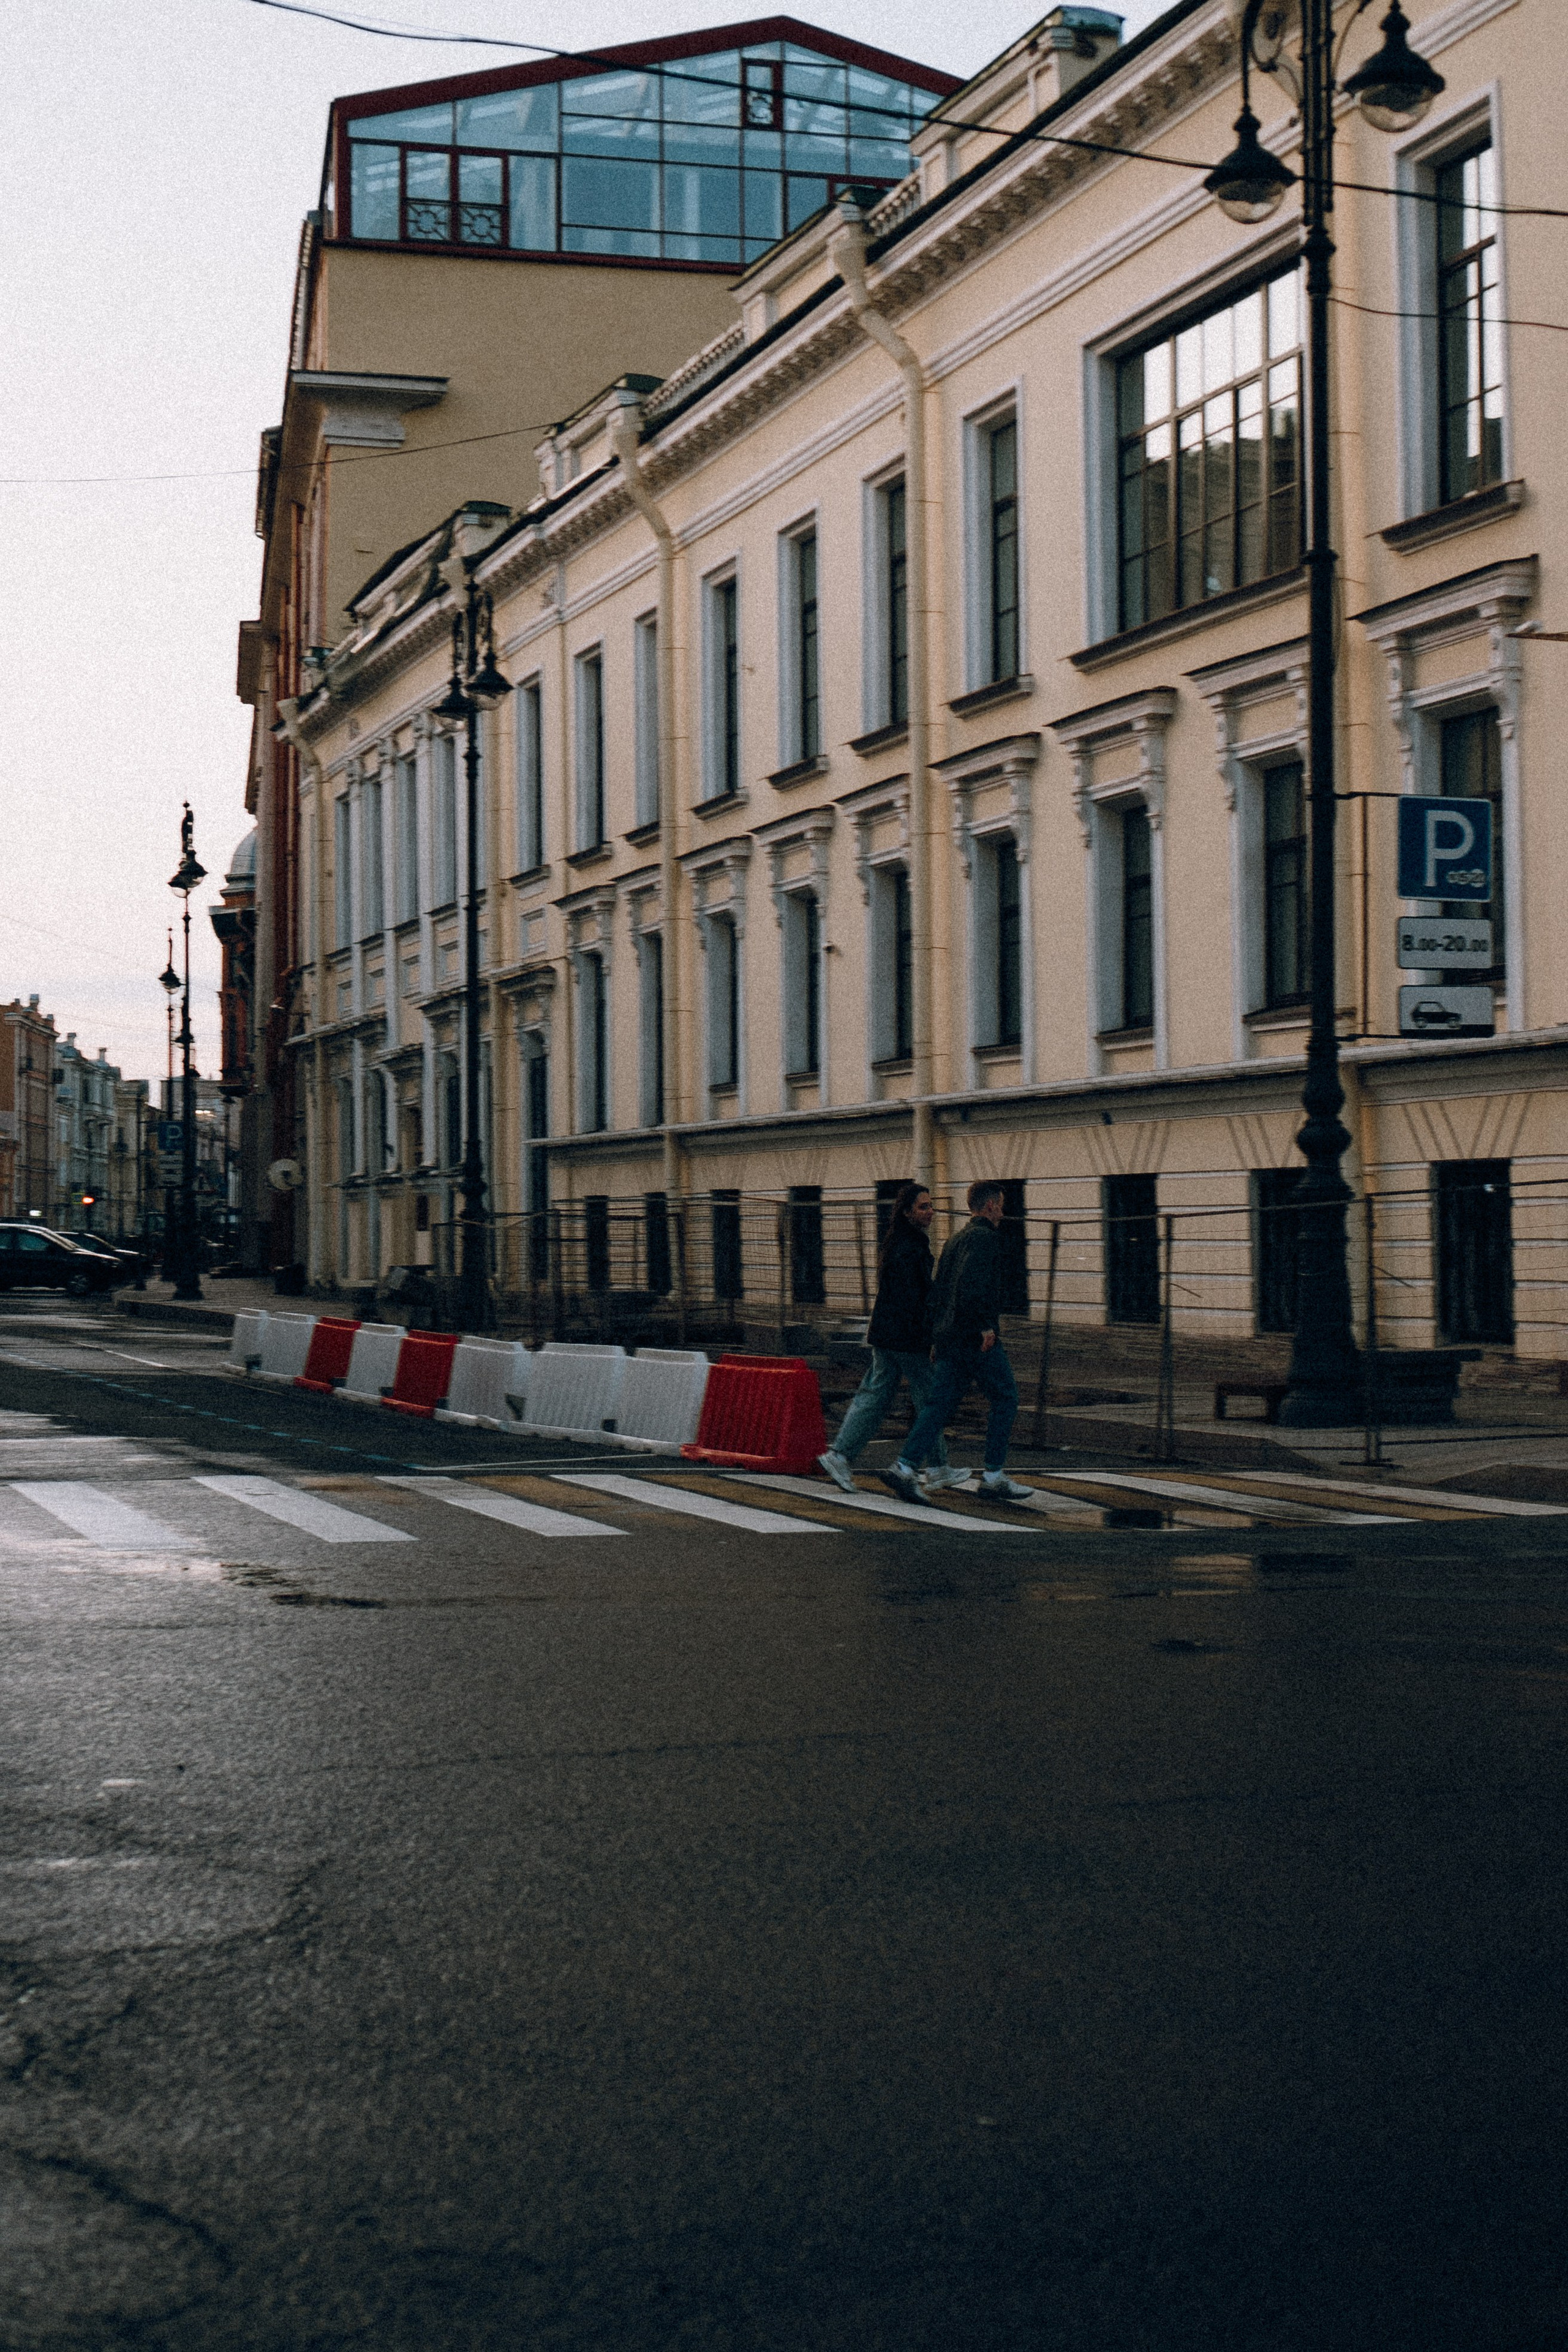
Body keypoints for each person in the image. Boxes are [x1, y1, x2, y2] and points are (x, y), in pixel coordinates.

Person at [880, 1178, 1033, 1505]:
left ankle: (904, 1467)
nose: (1002, 1214)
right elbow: (971, 1288)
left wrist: (937, 1337)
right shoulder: (985, 1240)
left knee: (939, 1405)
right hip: (975, 1338)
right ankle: (993, 1477)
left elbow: (938, 1292)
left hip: (949, 1338)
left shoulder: (954, 1240)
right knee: (1006, 1397)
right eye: (1001, 1206)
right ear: (990, 1205)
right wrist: (984, 1327)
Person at [817, 1183, 972, 1496]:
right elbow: (918, 1299)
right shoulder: (913, 1247)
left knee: (875, 1396)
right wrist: (931, 1338)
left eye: (930, 1206)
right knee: (931, 1399)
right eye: (923, 1207)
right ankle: (937, 1467)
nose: (930, 1212)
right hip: (907, 1338)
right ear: (907, 1213)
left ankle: (841, 1455)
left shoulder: (898, 1242)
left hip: (887, 1335)